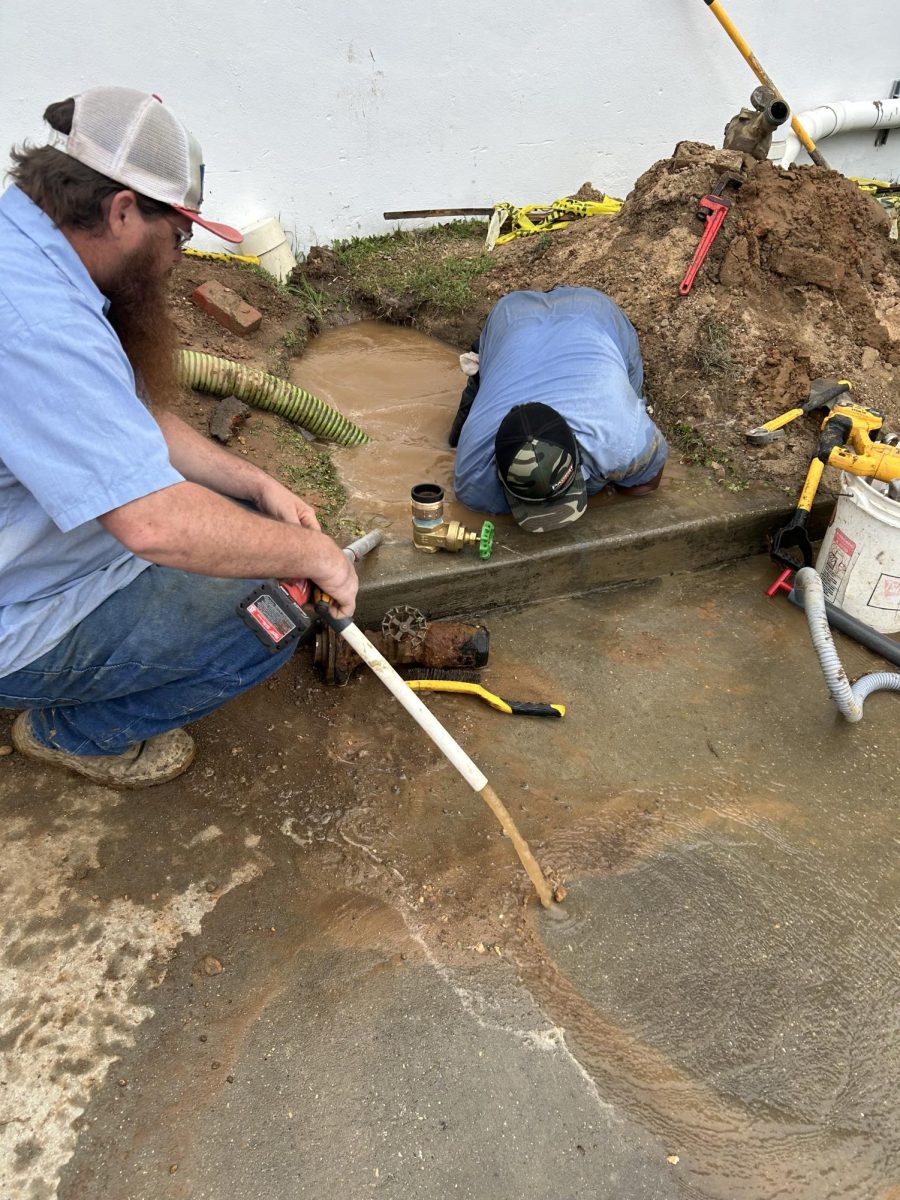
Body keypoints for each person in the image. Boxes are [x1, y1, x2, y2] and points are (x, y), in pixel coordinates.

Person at [0, 87, 357, 788]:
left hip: (29, 560)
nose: (181, 256)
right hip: (18, 619)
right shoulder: (37, 327)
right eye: (181, 234)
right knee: (278, 605)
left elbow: (125, 415)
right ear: (123, 211)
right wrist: (318, 556)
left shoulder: (30, 251)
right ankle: (71, 731)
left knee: (256, 527)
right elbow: (153, 524)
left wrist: (256, 483)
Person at [450, 287, 667, 532]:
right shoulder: (473, 479)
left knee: (631, 394)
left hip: (596, 316)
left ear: (579, 450)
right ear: (498, 476)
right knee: (462, 420)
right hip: (510, 320)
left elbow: (646, 483)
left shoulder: (624, 441)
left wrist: (611, 488)